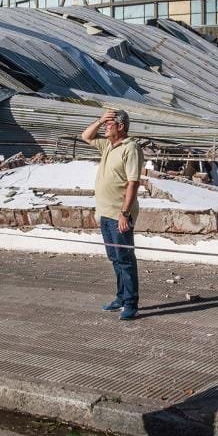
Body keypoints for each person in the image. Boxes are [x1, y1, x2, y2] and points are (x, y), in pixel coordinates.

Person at [80, 109, 144, 321]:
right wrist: (99, 120)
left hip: (119, 214)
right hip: (105, 213)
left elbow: (133, 183)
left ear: (121, 127)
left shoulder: (130, 148)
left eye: (109, 124)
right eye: (105, 124)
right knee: (115, 258)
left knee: (125, 259)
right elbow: (86, 136)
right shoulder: (108, 145)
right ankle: (120, 297)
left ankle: (130, 303)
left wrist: (124, 213)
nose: (106, 127)